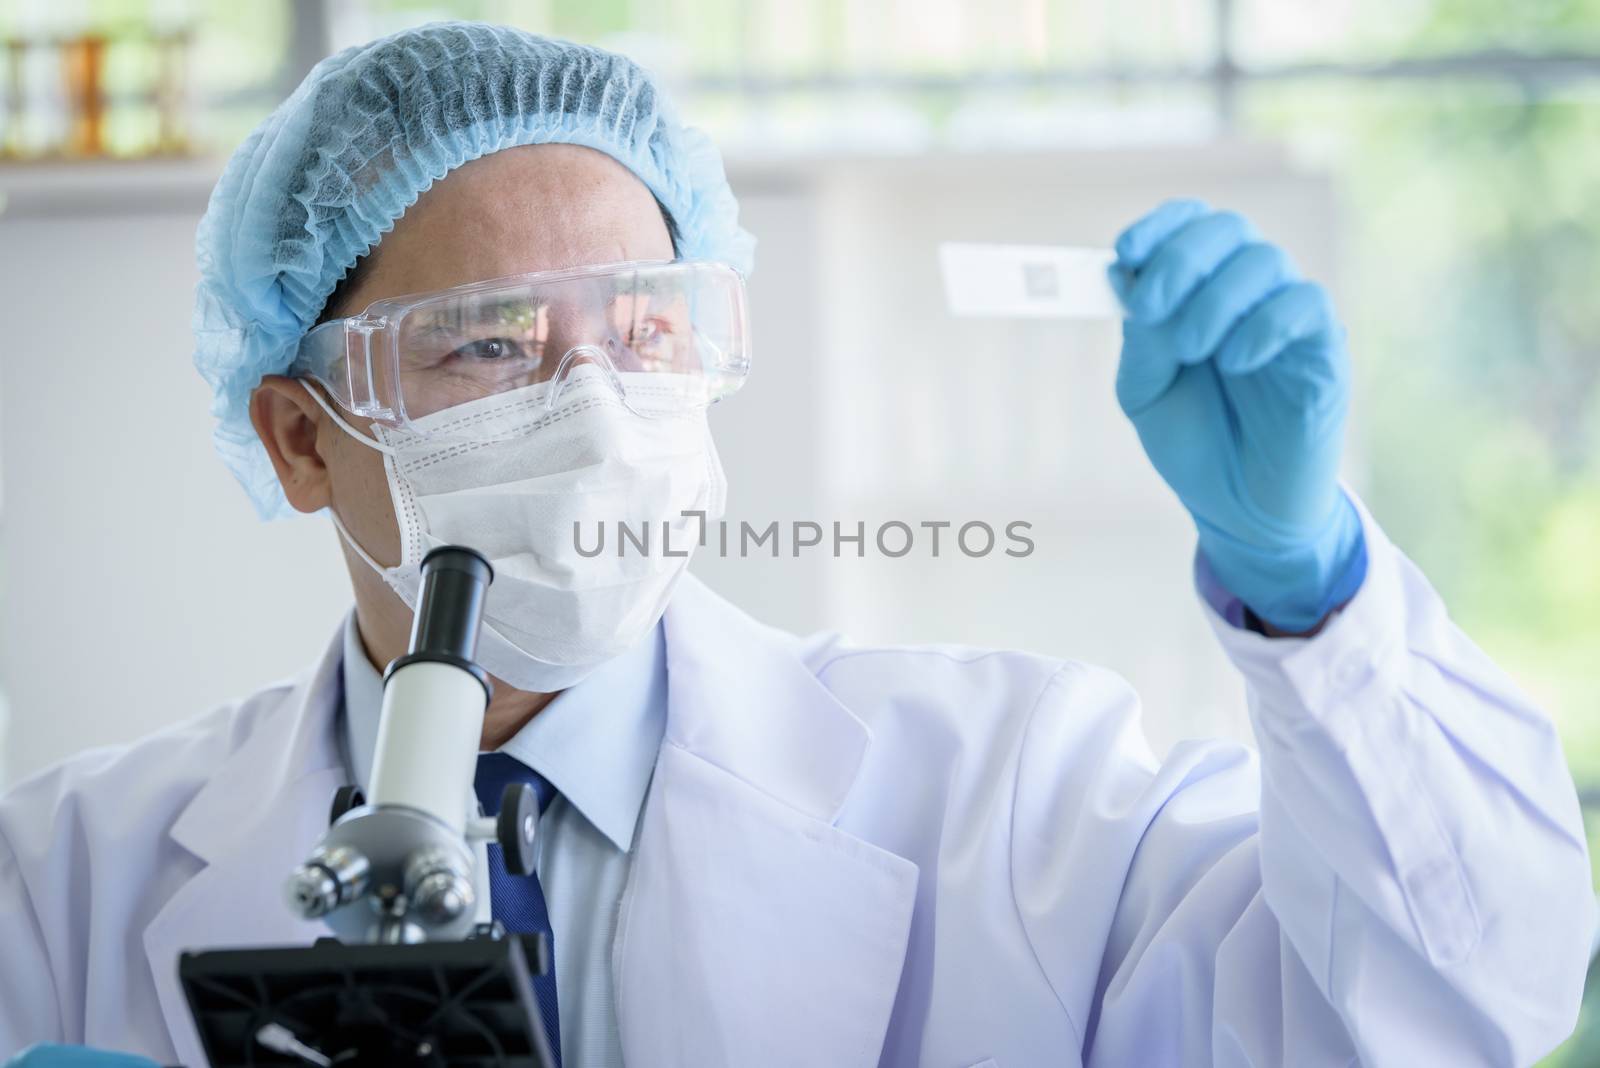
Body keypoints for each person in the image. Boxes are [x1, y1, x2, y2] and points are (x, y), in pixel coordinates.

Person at [0, 21, 1591, 1068]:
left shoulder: (1019, 804)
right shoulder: (63, 882)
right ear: (298, 438)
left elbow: (1461, 1006)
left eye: (645, 330)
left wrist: (1317, 598)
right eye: (485, 347)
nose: (599, 411)